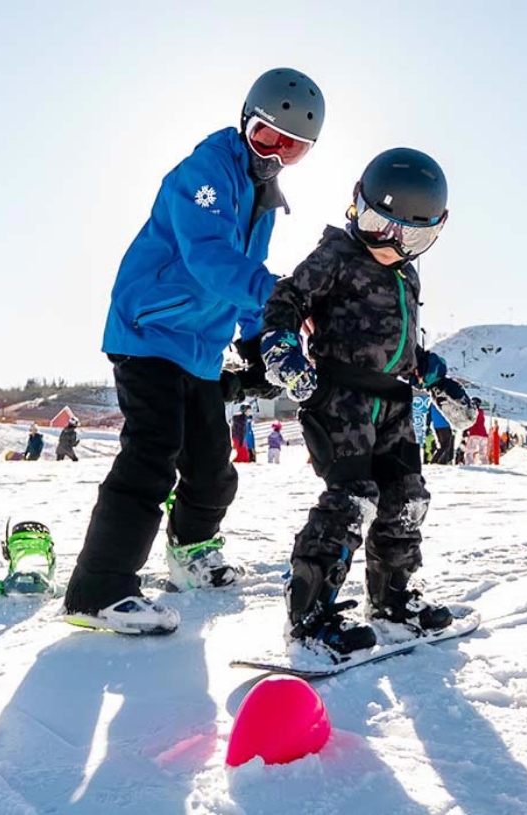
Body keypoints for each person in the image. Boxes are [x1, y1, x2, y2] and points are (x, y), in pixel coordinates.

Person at [63, 69, 324, 635]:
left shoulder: (264, 198)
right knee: (153, 453)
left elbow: (243, 284)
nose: (276, 154)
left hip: (201, 352)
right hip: (149, 334)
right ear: (244, 123)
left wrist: (262, 341)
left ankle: (190, 551)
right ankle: (99, 586)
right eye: (266, 137)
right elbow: (208, 258)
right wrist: (279, 294)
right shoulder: (205, 172)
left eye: (294, 147)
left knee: (210, 465)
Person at [258, 146, 471, 657]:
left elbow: (403, 344)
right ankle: (309, 614)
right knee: (352, 498)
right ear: (357, 206)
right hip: (341, 398)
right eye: (378, 223)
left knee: (407, 498)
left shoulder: (407, 275)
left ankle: (392, 600)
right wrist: (281, 345)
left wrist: (435, 374)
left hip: (394, 402)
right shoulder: (336, 255)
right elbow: (287, 300)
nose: (391, 244)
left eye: (411, 236)